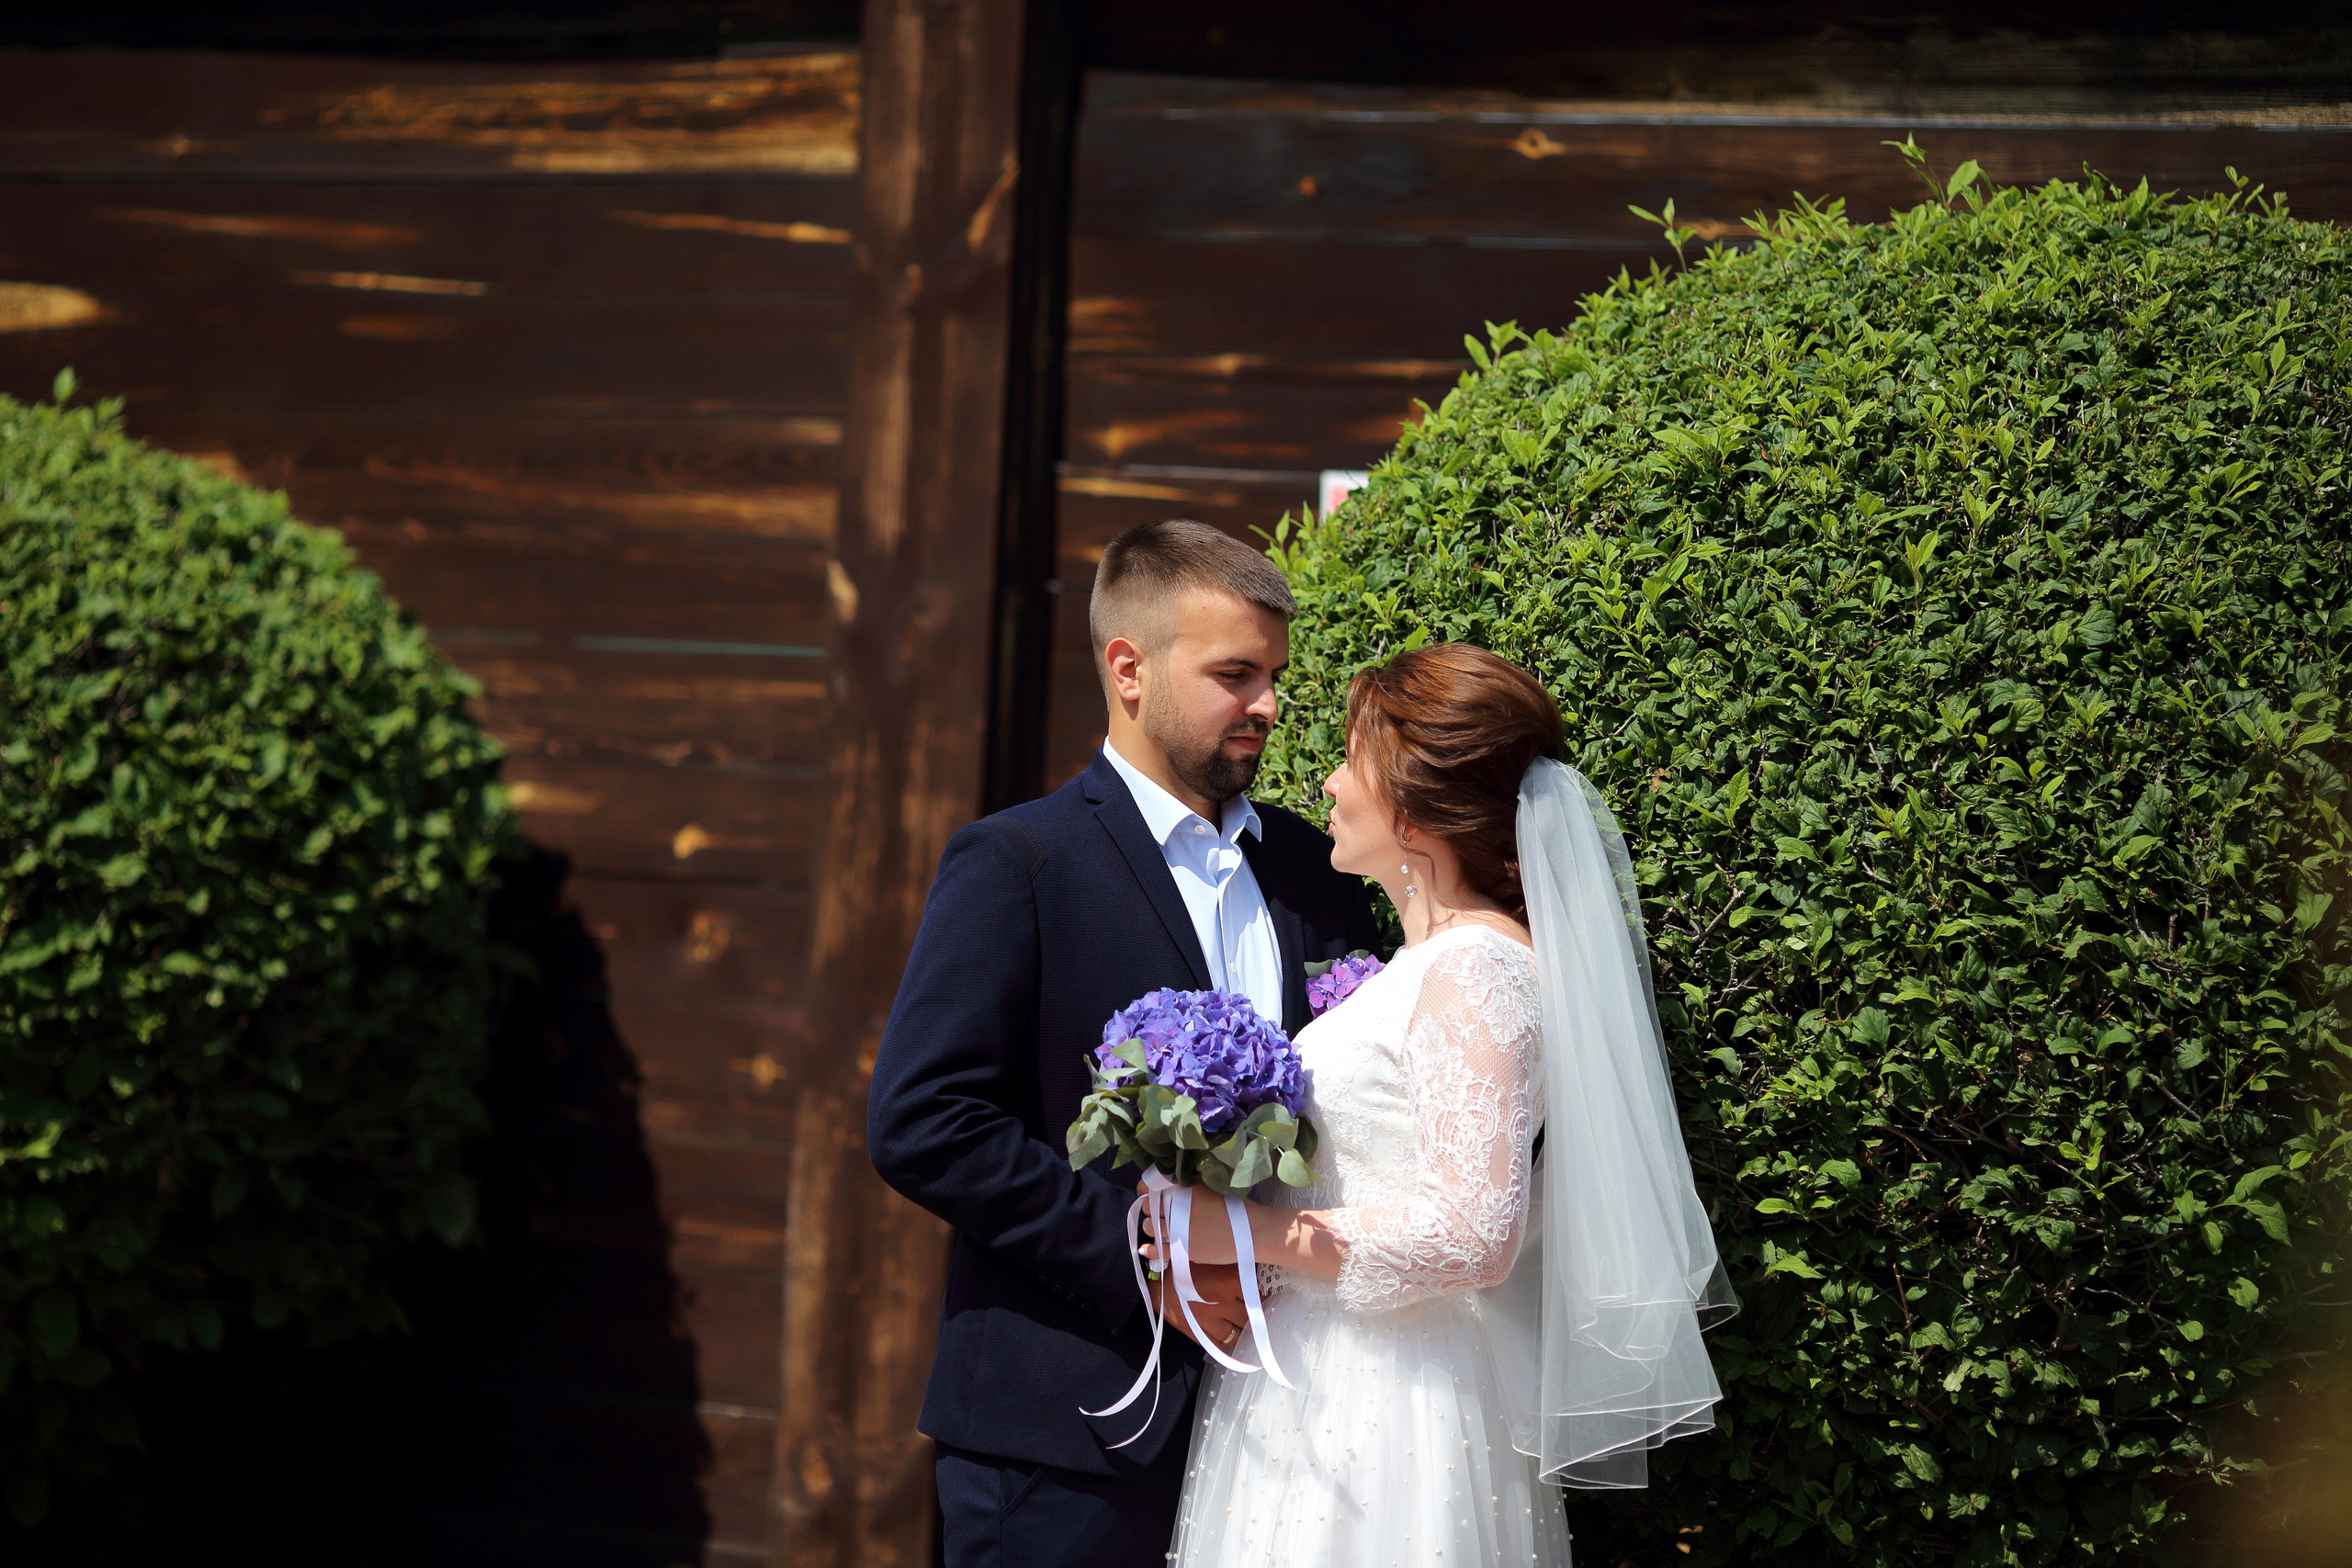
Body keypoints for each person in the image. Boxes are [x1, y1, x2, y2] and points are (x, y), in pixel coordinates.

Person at [1150, 643, 1736, 1567]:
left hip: (1392, 1409)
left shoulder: (1478, 972)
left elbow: (1475, 1232)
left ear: (1413, 811)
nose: (1331, 780)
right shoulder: (1430, 966)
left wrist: (1238, 1232)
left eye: (1353, 759)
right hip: (1326, 1382)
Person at [867, 519, 1382, 1567]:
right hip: (1067, 1439)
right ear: (1128, 668)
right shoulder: (1016, 861)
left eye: (1274, 676)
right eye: (1235, 675)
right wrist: (1147, 1264)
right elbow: (923, 1123)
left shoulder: (1313, 867)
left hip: (1288, 1437)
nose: (1270, 708)